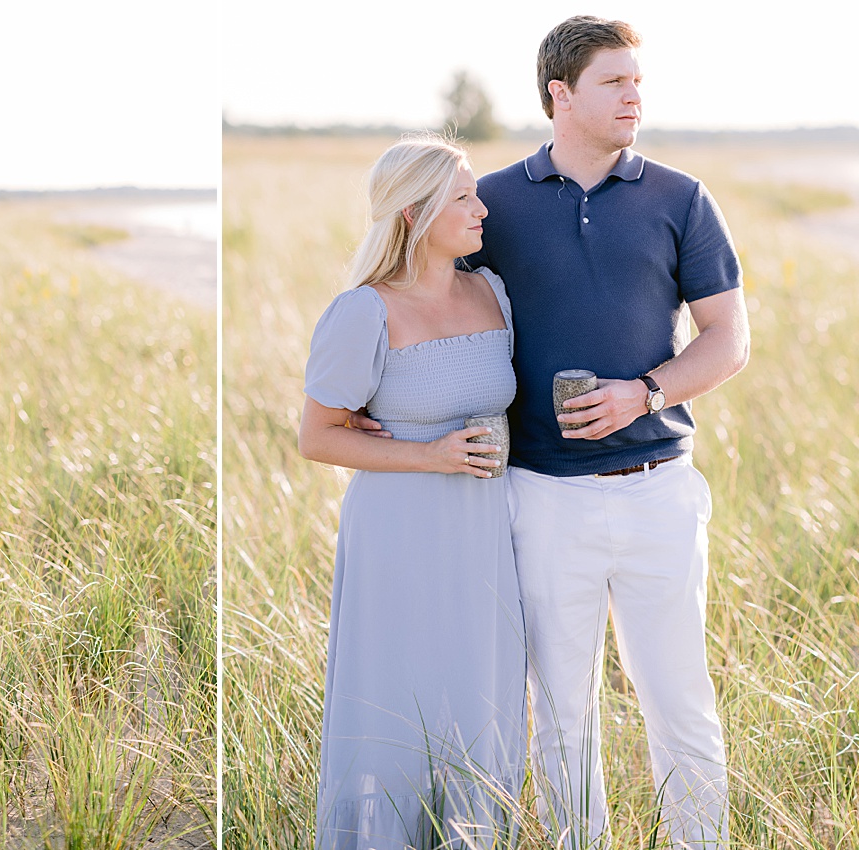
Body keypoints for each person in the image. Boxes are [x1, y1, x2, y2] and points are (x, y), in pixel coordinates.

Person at [463, 16, 750, 849]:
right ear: (560, 94)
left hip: (660, 491)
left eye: (638, 82)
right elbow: (433, 309)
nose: (634, 97)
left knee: (681, 703)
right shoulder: (493, 202)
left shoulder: (680, 197)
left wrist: (644, 394)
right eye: (614, 83)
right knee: (561, 713)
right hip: (542, 497)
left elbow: (729, 340)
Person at [299, 134, 527, 850]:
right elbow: (318, 437)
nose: (480, 207)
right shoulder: (362, 311)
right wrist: (429, 453)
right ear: (411, 215)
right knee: (397, 699)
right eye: (462, 196)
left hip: (485, 532)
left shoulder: (491, 291)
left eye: (474, 192)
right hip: (398, 537)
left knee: (477, 696)